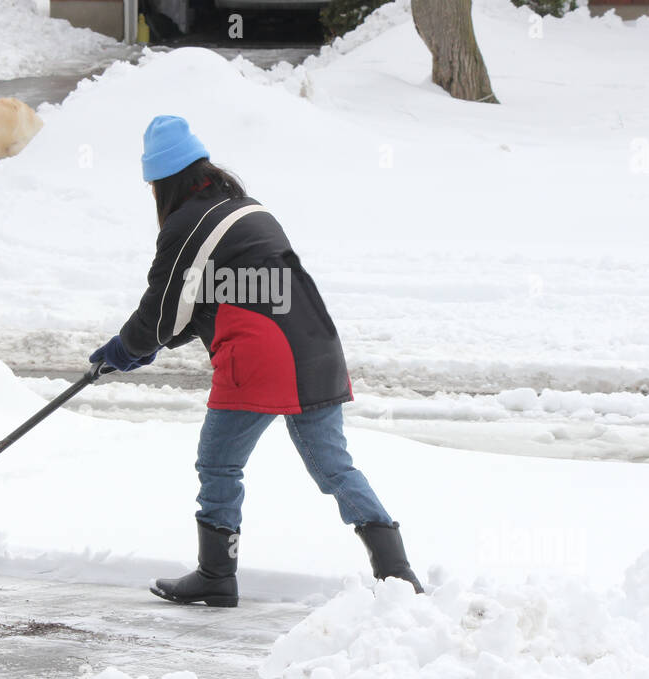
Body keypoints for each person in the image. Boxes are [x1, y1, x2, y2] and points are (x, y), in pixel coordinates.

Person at [90, 115, 423, 608]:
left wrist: (126, 348)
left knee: (219, 464)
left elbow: (163, 307)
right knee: (334, 468)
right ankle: (397, 575)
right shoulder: (244, 210)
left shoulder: (186, 225)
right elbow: (212, 301)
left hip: (261, 358)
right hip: (315, 347)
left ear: (161, 182)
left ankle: (215, 574)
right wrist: (148, 347)